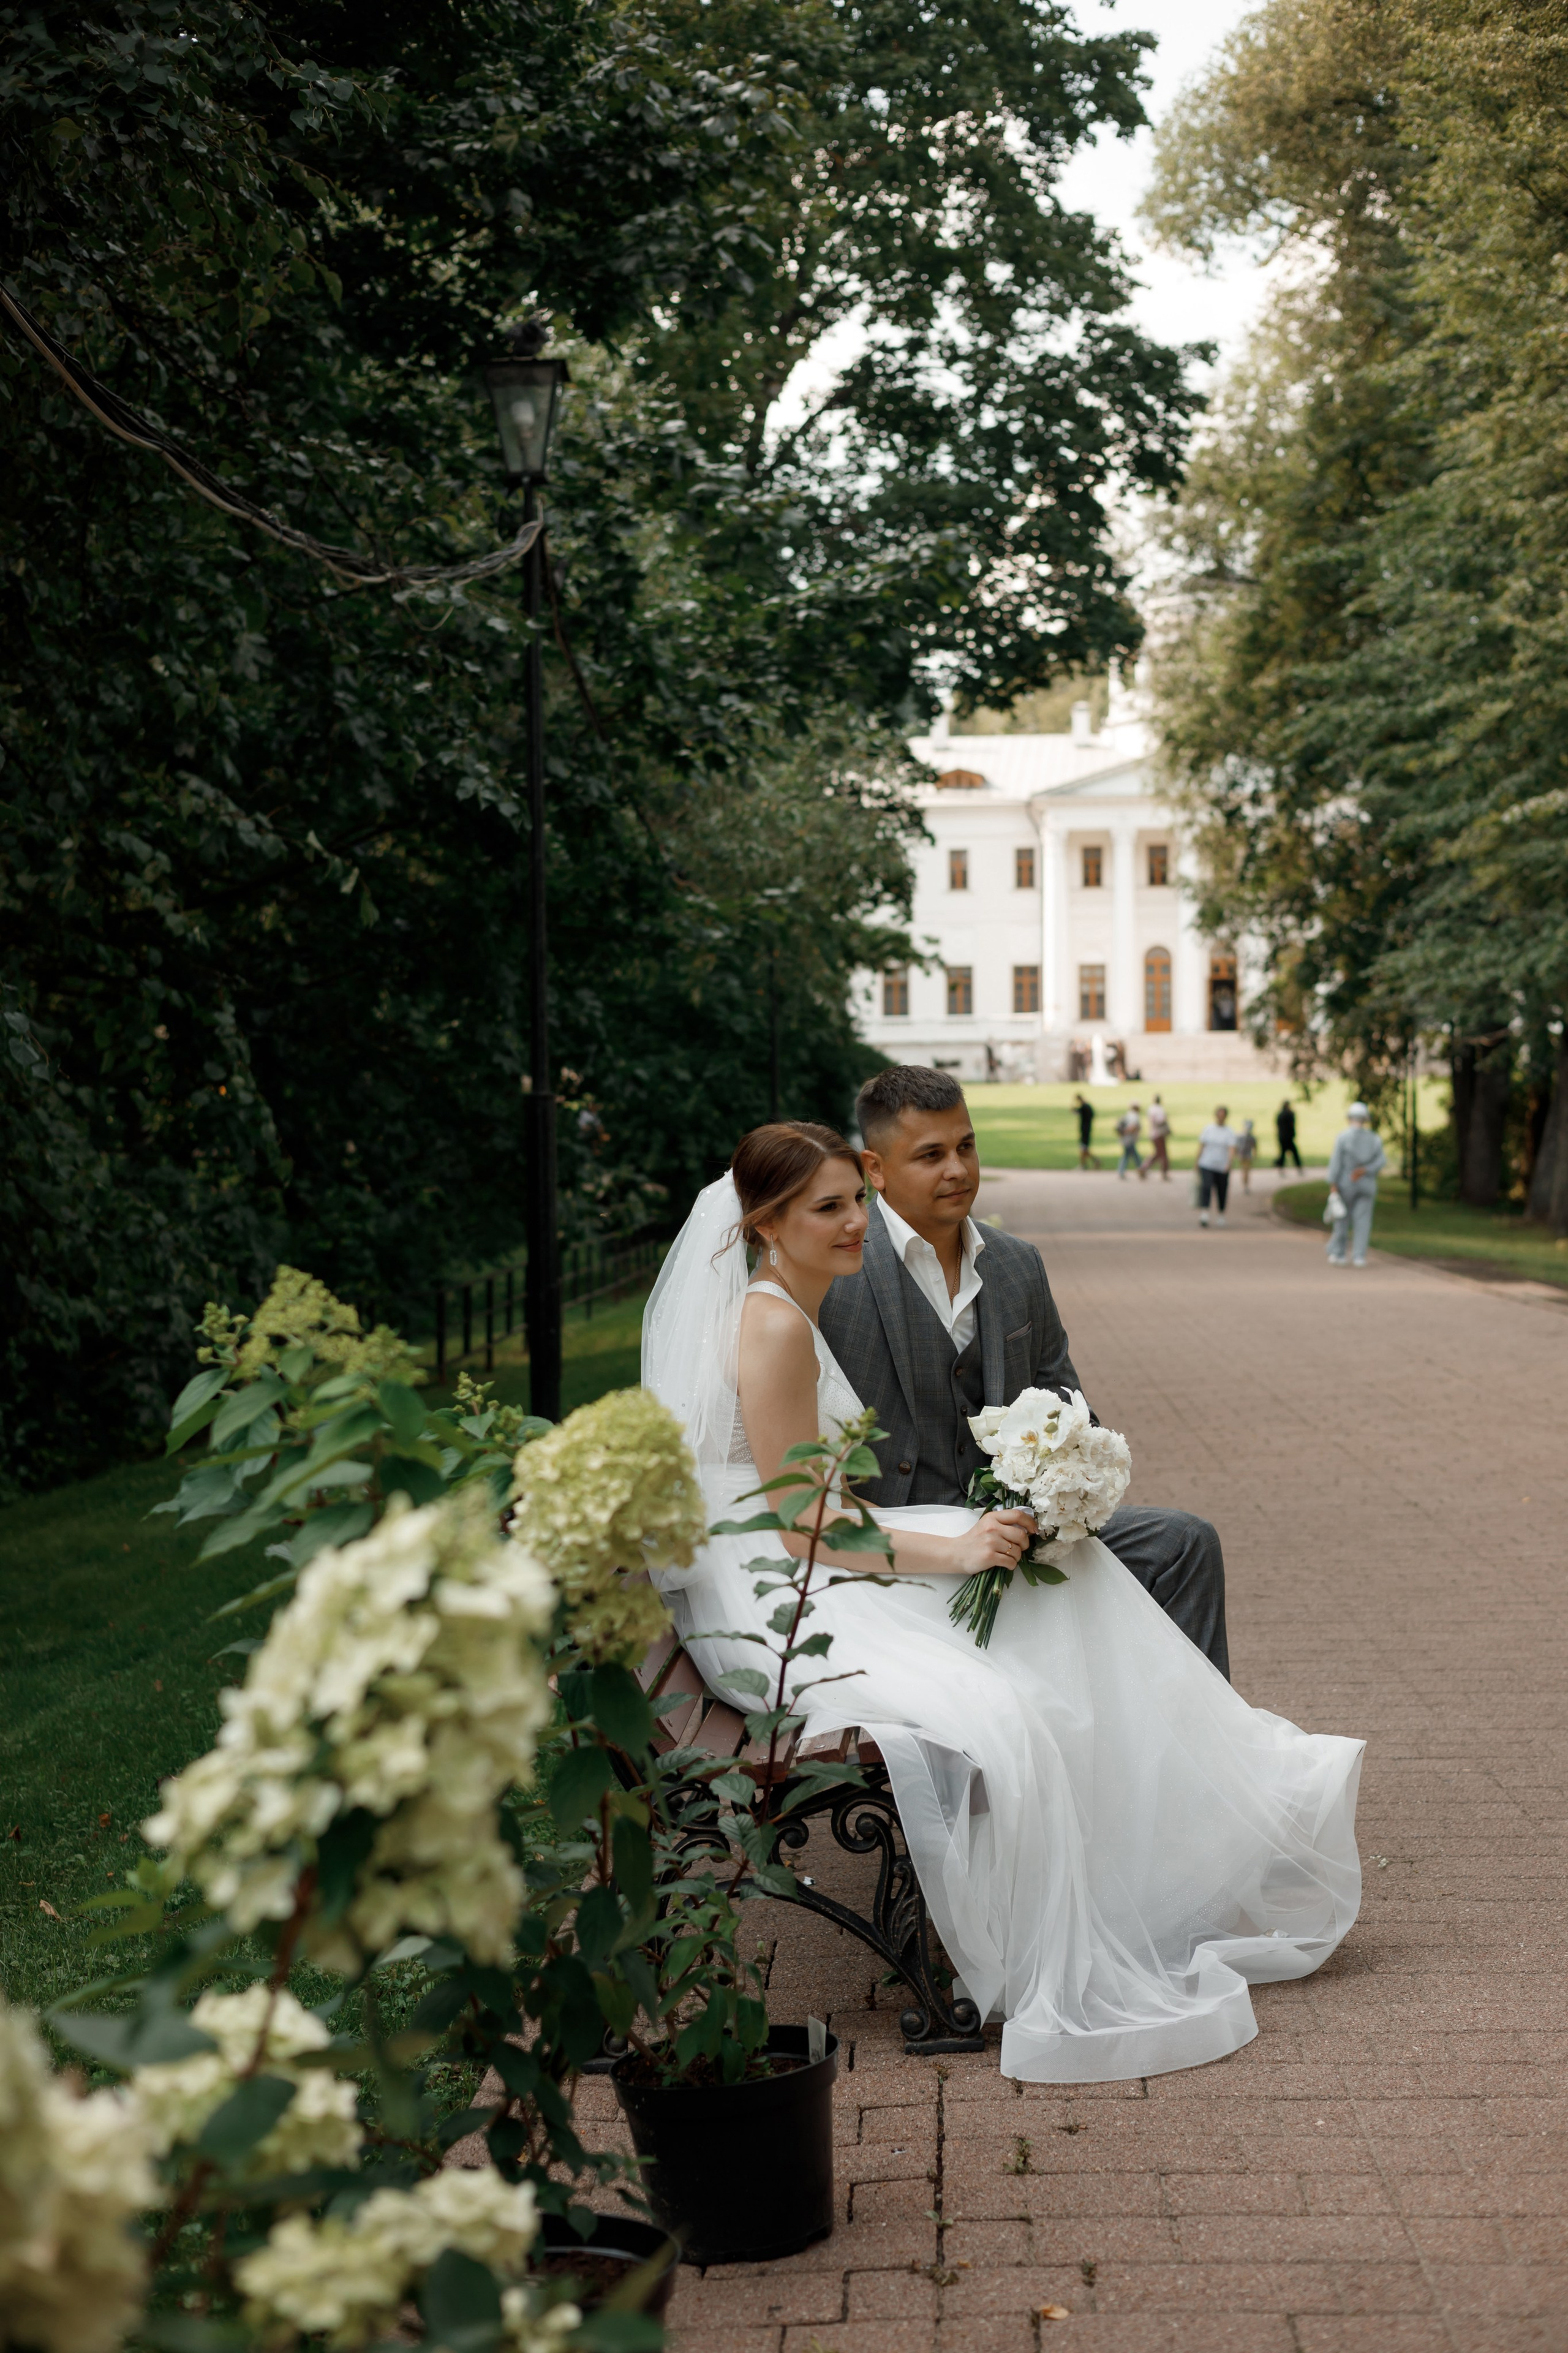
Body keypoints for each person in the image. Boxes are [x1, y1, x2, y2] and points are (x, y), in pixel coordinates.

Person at [642, 1112, 1363, 2085]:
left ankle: (1197, 1822)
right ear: (767, 1222)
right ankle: (1198, 1826)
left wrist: (983, 1524)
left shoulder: (790, 1305)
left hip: (805, 1563)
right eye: (831, 1208)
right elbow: (803, 1529)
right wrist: (956, 1549)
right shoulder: (772, 1325)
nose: (858, 1221)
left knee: (1067, 1575)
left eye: (858, 1199)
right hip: (780, 1599)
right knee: (1011, 1678)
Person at [1326, 1101, 1386, 1268]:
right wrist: (1366, 1170)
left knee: (1342, 1220)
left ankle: (1339, 1253)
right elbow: (1381, 1161)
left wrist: (1333, 1183)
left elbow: (1336, 1162)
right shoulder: (1374, 1138)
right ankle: (1359, 1256)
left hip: (1347, 1183)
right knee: (1363, 1221)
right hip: (1367, 1185)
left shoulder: (1343, 1137)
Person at [1195, 1105, 1239, 1228]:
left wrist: (1229, 1164)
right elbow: (1202, 1146)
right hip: (1207, 1164)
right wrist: (1197, 1162)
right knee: (1206, 1187)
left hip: (1222, 1166)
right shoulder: (1208, 1129)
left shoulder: (1229, 1132)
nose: (1220, 1118)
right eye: (1219, 1115)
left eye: (1222, 1115)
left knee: (1222, 1190)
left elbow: (1231, 1149)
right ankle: (1204, 1213)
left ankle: (1221, 1214)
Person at [1140, 1094, 1171, 1182]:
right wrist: (1165, 1119)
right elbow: (1159, 1121)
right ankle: (1163, 1172)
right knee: (1163, 1154)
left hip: (1153, 1134)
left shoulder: (1151, 1109)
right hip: (1159, 1134)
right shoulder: (1159, 1109)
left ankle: (1144, 1168)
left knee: (1158, 1153)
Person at [1115, 1101, 1144, 1179]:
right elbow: (1133, 1127)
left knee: (1127, 1155)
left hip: (1126, 1139)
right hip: (1129, 1139)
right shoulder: (1135, 1116)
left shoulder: (1129, 1114)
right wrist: (1126, 1132)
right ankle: (1141, 1170)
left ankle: (1122, 1172)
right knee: (1134, 1156)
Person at [1073, 1092, 1101, 1169]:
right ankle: (1086, 1164)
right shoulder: (1088, 1106)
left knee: (1083, 1149)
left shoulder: (1083, 1107)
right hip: (1088, 1130)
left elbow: (1074, 1111)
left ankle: (1092, 1161)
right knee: (1084, 1149)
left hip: (1085, 1131)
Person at [1275, 1099, 1302, 1171]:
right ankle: (1299, 1167)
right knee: (1295, 1153)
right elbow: (1292, 1125)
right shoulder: (1289, 1115)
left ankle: (1281, 1168)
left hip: (1282, 1137)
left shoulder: (1280, 1115)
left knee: (1283, 1154)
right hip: (1288, 1138)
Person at [1235, 1117, 1258, 1193]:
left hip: (1245, 1156)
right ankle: (1245, 1186)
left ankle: (1245, 1185)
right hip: (1244, 1156)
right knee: (1245, 1171)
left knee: (1245, 1171)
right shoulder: (1246, 1137)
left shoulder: (1242, 1136)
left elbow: (1254, 1147)